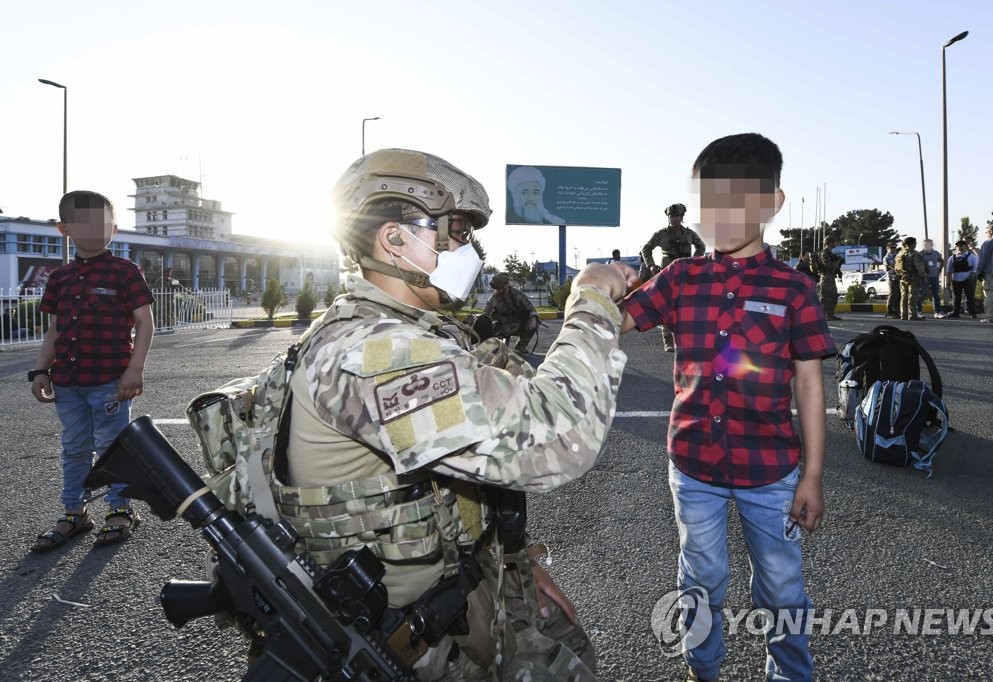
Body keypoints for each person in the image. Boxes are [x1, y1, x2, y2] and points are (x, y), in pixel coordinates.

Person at [278, 148, 636, 680]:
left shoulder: (413, 334)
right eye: (457, 231)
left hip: (460, 597)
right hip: (403, 646)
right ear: (395, 239)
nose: (468, 248)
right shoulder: (370, 355)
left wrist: (518, 567)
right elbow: (555, 436)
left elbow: (462, 475)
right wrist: (590, 300)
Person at [622, 133, 832, 682]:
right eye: (709, 200)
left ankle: (790, 674)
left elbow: (810, 386)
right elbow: (616, 320)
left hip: (772, 472)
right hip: (693, 467)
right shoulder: (681, 277)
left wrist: (812, 475)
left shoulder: (794, 289)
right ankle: (703, 669)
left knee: (782, 586)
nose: (721, 213)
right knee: (701, 579)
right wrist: (595, 289)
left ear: (771, 203)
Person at [29, 191, 155, 552]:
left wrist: (135, 369)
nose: (97, 229)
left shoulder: (125, 272)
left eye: (105, 223)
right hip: (67, 384)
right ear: (64, 228)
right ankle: (74, 513)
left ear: (114, 227)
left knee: (112, 447)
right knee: (74, 448)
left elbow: (145, 323)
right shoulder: (60, 278)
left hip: (110, 382)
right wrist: (39, 371)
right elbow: (53, 332)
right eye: (85, 223)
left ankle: (120, 510)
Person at [641, 203, 707, 351]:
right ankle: (668, 340)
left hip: (685, 273)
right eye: (672, 216)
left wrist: (694, 261)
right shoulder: (661, 233)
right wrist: (651, 265)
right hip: (667, 272)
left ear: (682, 217)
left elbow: (701, 247)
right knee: (667, 306)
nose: (674, 219)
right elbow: (646, 248)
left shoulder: (689, 234)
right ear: (668, 217)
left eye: (677, 216)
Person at [482, 271, 541, 352]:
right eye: (496, 289)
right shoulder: (493, 298)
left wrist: (533, 320)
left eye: (499, 288)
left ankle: (520, 346)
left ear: (506, 286)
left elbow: (531, 308)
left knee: (536, 321)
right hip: (502, 329)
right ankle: (501, 345)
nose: (497, 291)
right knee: (501, 352)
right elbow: (485, 315)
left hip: (517, 325)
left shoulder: (517, 295)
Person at [942, 240, 979, 318]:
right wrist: (948, 282)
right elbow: (949, 271)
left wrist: (970, 277)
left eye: (962, 245)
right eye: (958, 245)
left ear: (966, 246)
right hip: (956, 279)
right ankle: (956, 313)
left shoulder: (972, 256)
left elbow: (975, 269)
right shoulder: (952, 258)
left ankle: (972, 313)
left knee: (970, 296)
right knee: (956, 297)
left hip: (968, 279)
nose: (960, 247)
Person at [895, 236, 926, 321]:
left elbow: (896, 267)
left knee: (904, 296)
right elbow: (919, 266)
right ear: (912, 244)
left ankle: (903, 315)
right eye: (915, 243)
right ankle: (912, 315)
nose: (916, 244)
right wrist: (923, 275)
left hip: (903, 277)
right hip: (913, 278)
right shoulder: (914, 254)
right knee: (912, 296)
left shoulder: (900, 253)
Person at [815, 236, 843, 321]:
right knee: (824, 297)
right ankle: (822, 315)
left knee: (833, 296)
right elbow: (829, 265)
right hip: (825, 277)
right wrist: (837, 262)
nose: (836, 243)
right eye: (834, 242)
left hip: (831, 277)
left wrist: (839, 265)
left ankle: (830, 314)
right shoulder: (824, 253)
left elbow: (834, 266)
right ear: (830, 243)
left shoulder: (831, 253)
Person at [917, 238, 944, 317]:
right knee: (920, 294)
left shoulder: (936, 253)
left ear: (932, 244)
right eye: (925, 244)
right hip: (924, 277)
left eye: (929, 244)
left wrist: (939, 270)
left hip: (934, 277)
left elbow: (942, 261)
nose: (927, 245)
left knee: (936, 295)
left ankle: (937, 312)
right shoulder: (920, 254)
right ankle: (919, 311)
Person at [883, 243, 901, 318]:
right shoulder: (887, 257)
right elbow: (893, 266)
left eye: (894, 247)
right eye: (891, 247)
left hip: (898, 277)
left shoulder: (896, 256)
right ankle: (890, 312)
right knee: (892, 295)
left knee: (899, 296)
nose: (893, 249)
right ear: (887, 248)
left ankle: (897, 311)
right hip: (892, 278)